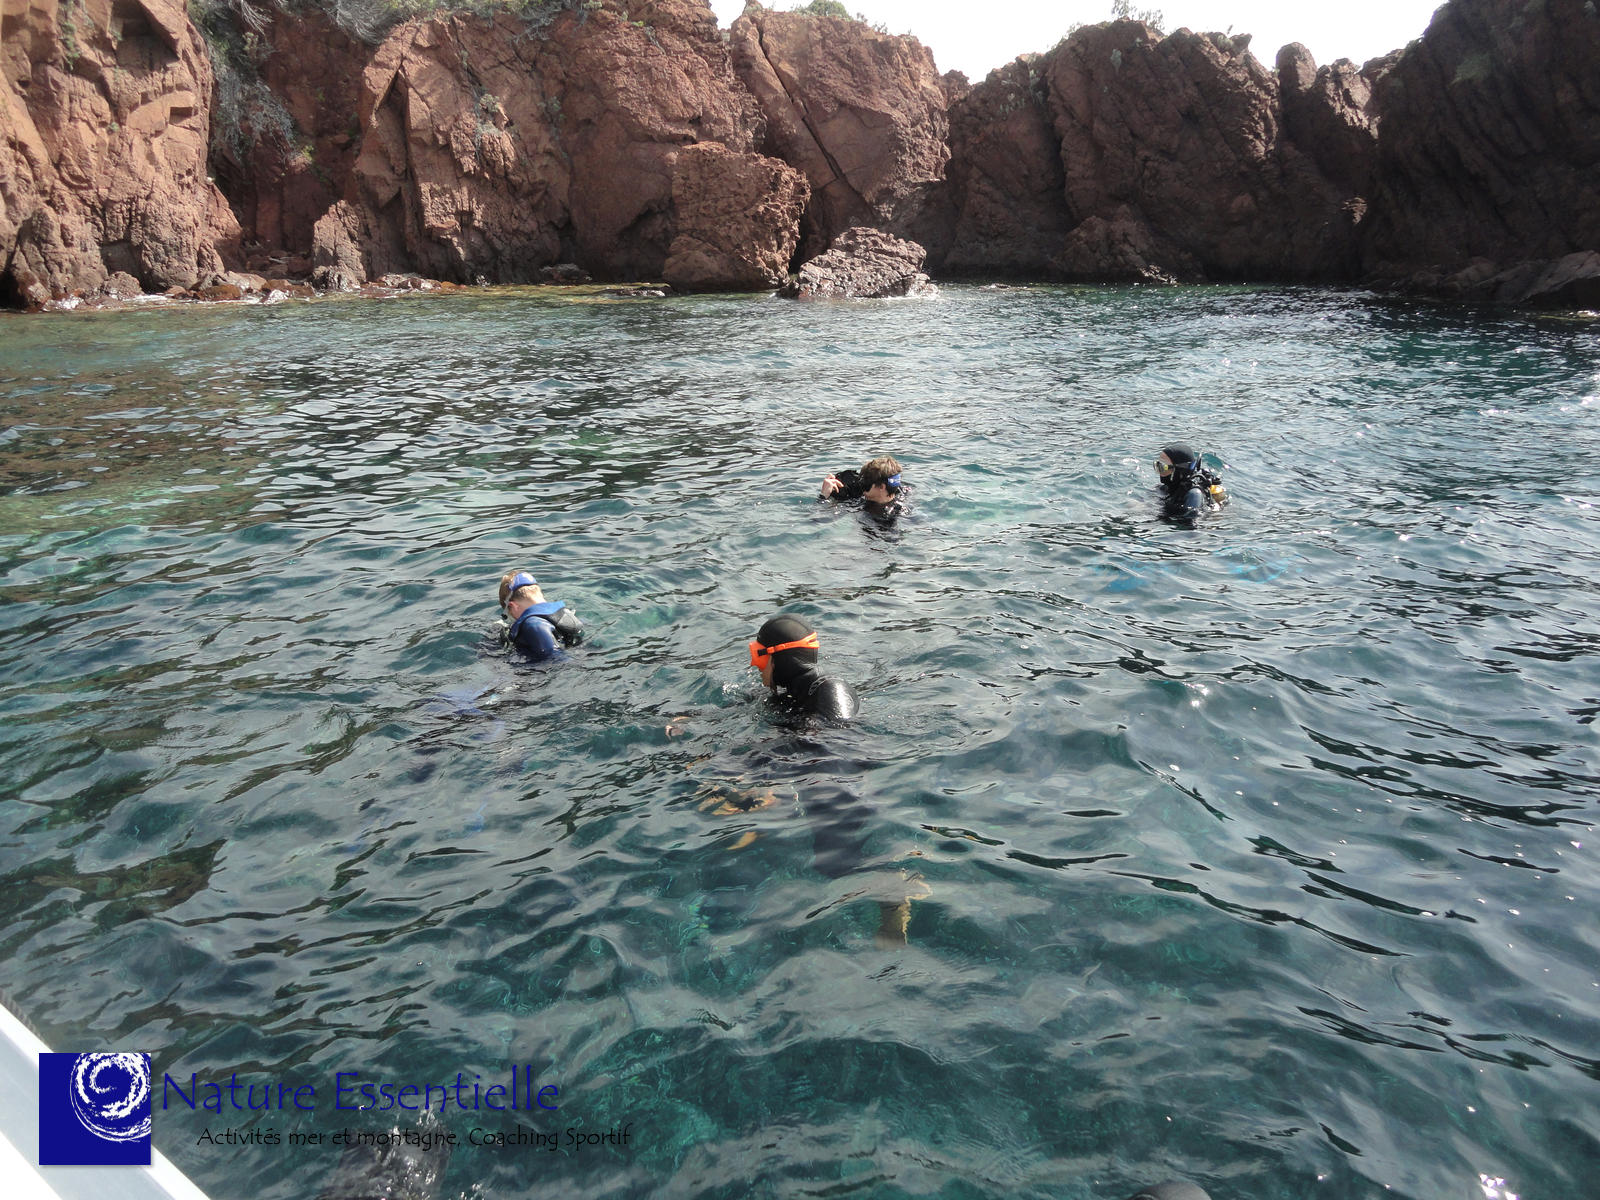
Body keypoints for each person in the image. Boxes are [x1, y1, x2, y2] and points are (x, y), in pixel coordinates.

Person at [749, 614, 859, 720]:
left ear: (781, 659)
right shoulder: (794, 692)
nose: (753, 664)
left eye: (759, 658)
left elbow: (843, 731)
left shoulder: (830, 690)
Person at [498, 570, 583, 661]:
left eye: (510, 615)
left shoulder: (533, 625)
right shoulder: (565, 613)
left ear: (513, 606)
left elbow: (557, 659)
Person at [818, 454, 906, 516]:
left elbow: (820, 520)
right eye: (862, 481)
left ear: (882, 487)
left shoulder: (893, 515)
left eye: (866, 483)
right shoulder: (860, 494)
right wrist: (824, 495)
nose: (862, 487)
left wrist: (822, 499)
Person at [1156, 443, 1227, 519]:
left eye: (1163, 467)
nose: (1160, 471)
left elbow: (1190, 521)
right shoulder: (1170, 486)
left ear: (1179, 470)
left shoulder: (1194, 494)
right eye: (1158, 465)